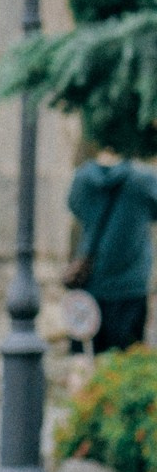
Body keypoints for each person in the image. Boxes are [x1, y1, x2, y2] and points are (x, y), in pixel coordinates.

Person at [67, 148, 157, 353]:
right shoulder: (144, 181)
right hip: (130, 284)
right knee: (127, 361)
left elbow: (74, 206)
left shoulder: (82, 179)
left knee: (86, 359)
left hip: (90, 282)